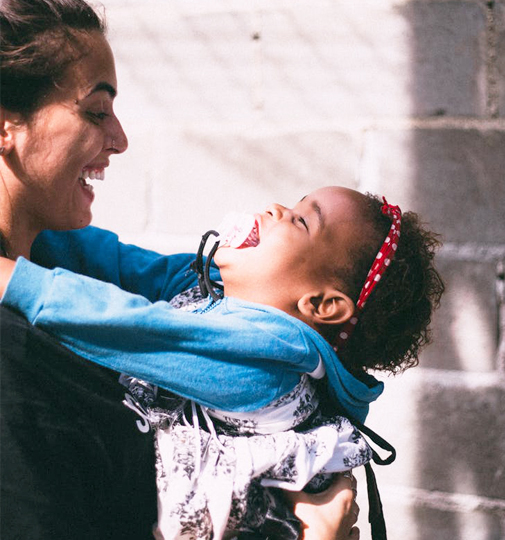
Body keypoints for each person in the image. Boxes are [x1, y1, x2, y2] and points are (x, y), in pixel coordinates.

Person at [0, 1, 364, 539]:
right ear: (7, 126)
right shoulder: (16, 350)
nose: (120, 139)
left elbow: (155, 286)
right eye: (97, 111)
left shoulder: (59, 261)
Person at [0, 186, 445, 539]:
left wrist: (14, 280)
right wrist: (32, 212)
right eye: (293, 203)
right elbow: (120, 264)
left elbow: (131, 327)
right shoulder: (213, 287)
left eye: (302, 220)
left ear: (322, 305)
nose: (274, 209)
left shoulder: (266, 364)